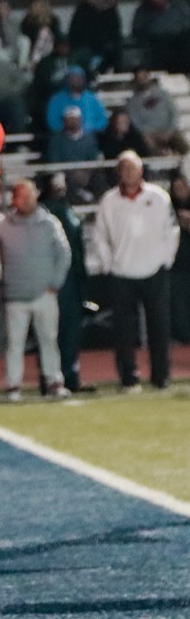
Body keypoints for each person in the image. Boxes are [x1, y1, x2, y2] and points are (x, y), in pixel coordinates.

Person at [91, 151, 180, 391]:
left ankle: (161, 377)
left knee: (159, 327)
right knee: (123, 331)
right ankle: (128, 378)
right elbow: (99, 235)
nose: (130, 173)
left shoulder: (159, 197)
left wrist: (165, 260)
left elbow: (171, 230)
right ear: (119, 172)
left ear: (141, 170)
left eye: (134, 168)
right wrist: (109, 263)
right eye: (125, 169)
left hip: (154, 270)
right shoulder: (109, 201)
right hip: (122, 273)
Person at [0, 179, 73, 401]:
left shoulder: (49, 223)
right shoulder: (3, 225)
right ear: (14, 199)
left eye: (30, 195)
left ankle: (54, 382)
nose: (27, 200)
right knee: (14, 344)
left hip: (44, 293)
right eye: (22, 196)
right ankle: (13, 386)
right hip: (15, 295)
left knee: (48, 339)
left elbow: (64, 254)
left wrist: (55, 284)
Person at [41, 173, 95, 392]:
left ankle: (70, 377)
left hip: (73, 279)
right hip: (53, 281)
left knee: (71, 333)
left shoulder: (66, 208)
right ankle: (52, 379)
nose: (61, 189)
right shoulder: (43, 213)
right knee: (52, 333)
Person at [124, 67, 189, 157]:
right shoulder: (132, 102)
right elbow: (136, 123)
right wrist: (150, 133)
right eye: (139, 78)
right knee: (147, 144)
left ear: (148, 76)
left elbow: (174, 113)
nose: (142, 80)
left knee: (184, 147)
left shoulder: (164, 94)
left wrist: (169, 130)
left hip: (169, 130)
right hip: (150, 134)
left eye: (144, 77)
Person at [131, 0, 190, 74]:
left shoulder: (179, 7)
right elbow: (138, 31)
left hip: (180, 50)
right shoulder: (143, 11)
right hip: (156, 51)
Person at [45, 106, 105, 203]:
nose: (73, 121)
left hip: (87, 174)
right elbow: (55, 162)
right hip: (66, 175)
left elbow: (94, 159)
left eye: (75, 119)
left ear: (80, 120)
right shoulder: (56, 140)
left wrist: (86, 173)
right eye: (70, 119)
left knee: (100, 179)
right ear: (64, 121)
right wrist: (71, 173)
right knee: (58, 183)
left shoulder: (89, 138)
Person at [67, 0, 122, 73]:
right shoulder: (82, 10)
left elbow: (115, 31)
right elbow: (75, 31)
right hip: (86, 47)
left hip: (106, 48)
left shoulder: (111, 11)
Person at [45, 65, 108, 134]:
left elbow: (102, 120)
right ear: (67, 80)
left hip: (90, 138)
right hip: (64, 139)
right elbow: (53, 123)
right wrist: (70, 132)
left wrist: (89, 130)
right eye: (73, 78)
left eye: (79, 77)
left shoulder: (91, 98)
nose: (76, 81)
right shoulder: (57, 99)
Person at [170, 171, 190, 344]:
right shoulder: (167, 207)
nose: (180, 190)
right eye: (176, 187)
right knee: (179, 307)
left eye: (182, 186)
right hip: (177, 266)